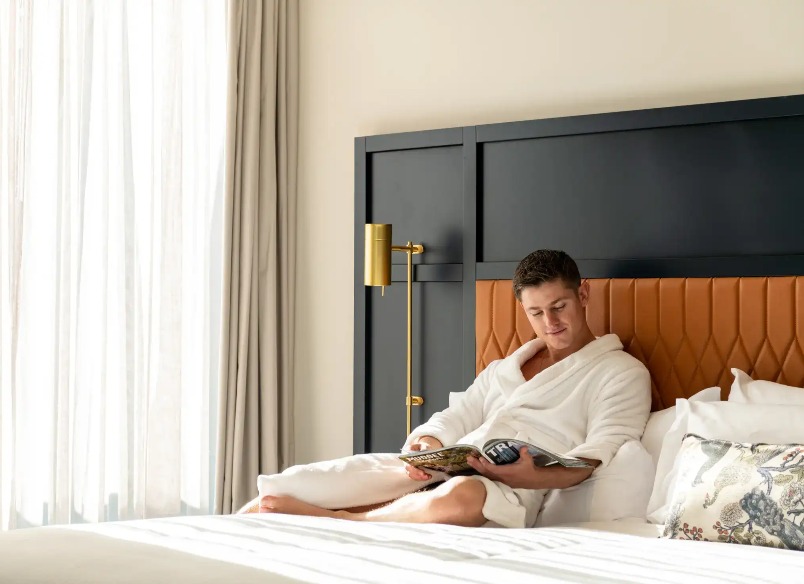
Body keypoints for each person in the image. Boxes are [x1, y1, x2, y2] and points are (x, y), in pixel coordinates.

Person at [253, 250, 651, 528]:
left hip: (507, 489)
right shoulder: (504, 369)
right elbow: (457, 416)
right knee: (289, 486)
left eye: (559, 306)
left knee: (461, 495)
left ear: (582, 295)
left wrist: (532, 476)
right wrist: (428, 443)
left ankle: (344, 521)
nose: (550, 322)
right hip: (451, 464)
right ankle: (310, 504)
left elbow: (597, 455)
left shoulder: (619, 372)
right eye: (536, 312)